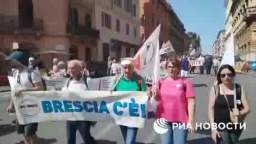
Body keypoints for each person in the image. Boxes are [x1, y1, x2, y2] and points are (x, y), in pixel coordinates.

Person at [152, 57, 196, 144]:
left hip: (181, 120)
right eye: (169, 67)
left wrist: (191, 120)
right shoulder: (160, 82)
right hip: (164, 119)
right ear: (166, 68)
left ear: (179, 68)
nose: (171, 69)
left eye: (174, 67)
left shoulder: (186, 82)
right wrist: (155, 95)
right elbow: (157, 100)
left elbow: (191, 101)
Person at [6, 50, 44, 144]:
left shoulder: (32, 73)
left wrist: (23, 90)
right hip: (20, 108)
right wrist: (11, 104)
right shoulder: (15, 73)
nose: (9, 62)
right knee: (23, 132)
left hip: (32, 108)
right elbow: (14, 90)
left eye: (12, 60)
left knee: (29, 133)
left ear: (19, 61)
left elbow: (40, 88)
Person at [208, 64, 250, 144]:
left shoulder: (239, 88)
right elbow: (211, 109)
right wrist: (213, 129)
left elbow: (247, 108)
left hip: (236, 125)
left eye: (229, 74)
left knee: (233, 142)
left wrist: (240, 112)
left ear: (233, 75)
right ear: (219, 77)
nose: (226, 77)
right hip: (220, 125)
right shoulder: (215, 89)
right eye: (223, 75)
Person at [112, 57, 147, 144]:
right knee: (126, 139)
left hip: (134, 115)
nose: (127, 70)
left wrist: (149, 93)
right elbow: (111, 95)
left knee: (129, 141)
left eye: (129, 67)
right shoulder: (117, 80)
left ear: (133, 68)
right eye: (125, 67)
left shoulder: (139, 79)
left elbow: (145, 94)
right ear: (122, 68)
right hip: (121, 115)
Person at [62, 59, 96, 144]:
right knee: (70, 139)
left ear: (79, 69)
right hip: (71, 115)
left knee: (86, 137)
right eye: (69, 68)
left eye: (73, 68)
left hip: (84, 116)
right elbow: (62, 95)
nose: (70, 70)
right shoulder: (68, 82)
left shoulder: (87, 81)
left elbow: (96, 97)